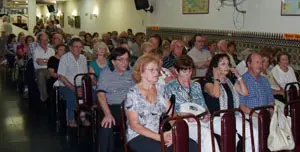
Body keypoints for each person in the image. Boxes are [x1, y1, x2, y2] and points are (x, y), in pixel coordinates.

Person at [125, 54, 197, 152]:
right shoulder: (133, 93)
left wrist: (172, 132)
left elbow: (172, 114)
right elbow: (134, 125)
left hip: (161, 132)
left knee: (192, 146)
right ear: (141, 72)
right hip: (138, 135)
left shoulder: (160, 89)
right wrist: (159, 137)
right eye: (152, 70)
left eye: (157, 69)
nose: (156, 73)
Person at [203, 53, 258, 152]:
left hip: (233, 115)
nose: (227, 67)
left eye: (228, 64)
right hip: (217, 119)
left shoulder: (230, 81)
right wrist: (216, 78)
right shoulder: (208, 82)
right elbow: (216, 94)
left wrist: (238, 75)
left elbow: (245, 92)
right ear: (215, 67)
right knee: (232, 136)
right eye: (223, 64)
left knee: (253, 132)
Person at [165, 55, 218, 152]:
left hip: (201, 119)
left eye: (189, 71)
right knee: (206, 135)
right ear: (177, 71)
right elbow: (169, 113)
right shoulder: (170, 87)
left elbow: (203, 105)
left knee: (224, 126)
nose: (188, 75)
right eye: (184, 71)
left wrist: (207, 114)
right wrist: (185, 116)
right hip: (184, 123)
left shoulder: (196, 85)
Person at [96, 47, 135, 152]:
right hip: (113, 105)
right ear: (113, 62)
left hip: (130, 106)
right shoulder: (106, 73)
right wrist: (107, 114)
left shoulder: (131, 72)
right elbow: (100, 94)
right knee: (107, 123)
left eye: (126, 59)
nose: (125, 63)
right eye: (120, 60)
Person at [57, 38, 88, 127]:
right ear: (70, 48)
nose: (78, 49)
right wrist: (74, 88)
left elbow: (85, 75)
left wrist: (83, 87)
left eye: (80, 47)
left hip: (80, 85)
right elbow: (62, 77)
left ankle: (83, 115)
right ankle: (71, 119)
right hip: (66, 86)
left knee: (92, 94)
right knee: (72, 96)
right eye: (76, 47)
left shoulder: (83, 58)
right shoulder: (65, 58)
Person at [33, 32, 55, 102]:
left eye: (46, 40)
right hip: (40, 70)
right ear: (39, 41)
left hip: (51, 69)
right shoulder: (36, 51)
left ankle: (57, 96)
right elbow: (39, 63)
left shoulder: (52, 50)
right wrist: (48, 61)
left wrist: (44, 61)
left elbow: (53, 62)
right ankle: (44, 98)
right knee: (41, 74)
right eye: (43, 40)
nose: (45, 42)